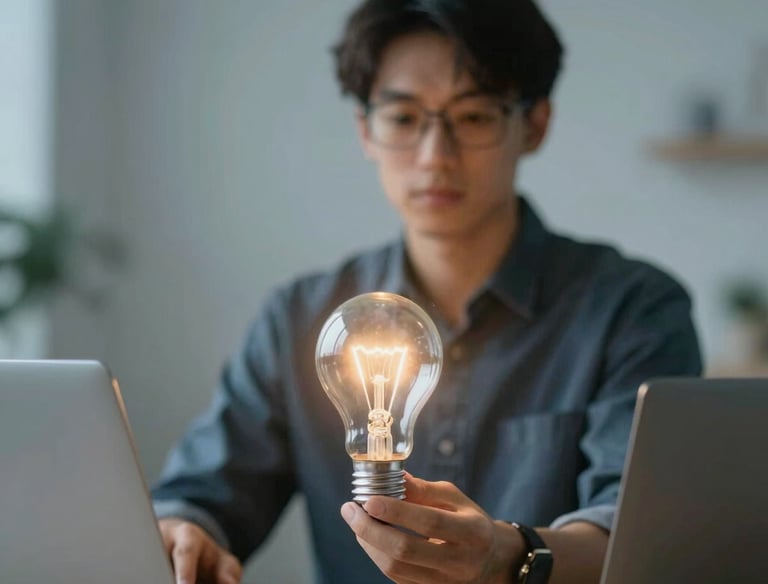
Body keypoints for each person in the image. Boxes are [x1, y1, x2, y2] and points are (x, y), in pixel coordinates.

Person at [151, 1, 702, 583]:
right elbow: (204, 494)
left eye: (474, 117)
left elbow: (635, 536)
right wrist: (185, 534)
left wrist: (510, 554)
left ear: (535, 124)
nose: (435, 157)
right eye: (404, 118)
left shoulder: (632, 311)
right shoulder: (300, 319)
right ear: (365, 128)